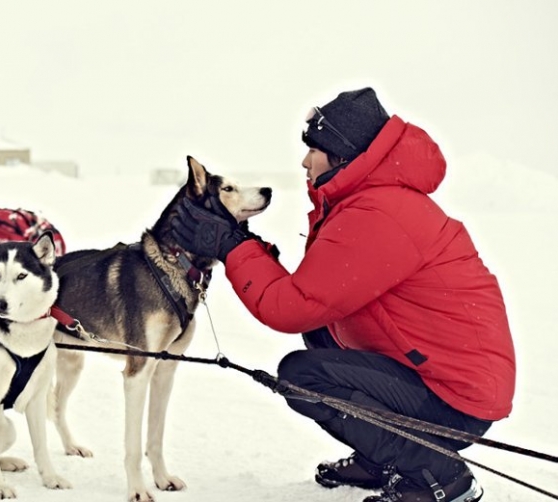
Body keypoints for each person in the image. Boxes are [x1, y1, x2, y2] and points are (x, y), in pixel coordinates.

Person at [170, 87, 515, 502]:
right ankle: (383, 456)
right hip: (442, 372)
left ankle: (437, 473)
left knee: (303, 376)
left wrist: (232, 246)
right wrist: (241, 242)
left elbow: (289, 308)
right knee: (322, 334)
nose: (304, 160)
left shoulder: (378, 214)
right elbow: (314, 296)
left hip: (455, 398)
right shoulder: (372, 201)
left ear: (343, 154)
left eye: (314, 148)